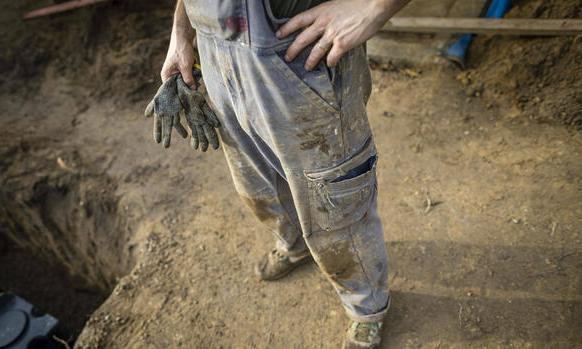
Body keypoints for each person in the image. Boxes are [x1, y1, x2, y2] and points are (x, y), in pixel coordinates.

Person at [146, 1, 411, 347]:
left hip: (300, 58)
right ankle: (294, 244)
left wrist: (373, 8)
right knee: (257, 185)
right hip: (214, 54)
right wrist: (181, 33)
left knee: (335, 206)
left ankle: (367, 307)